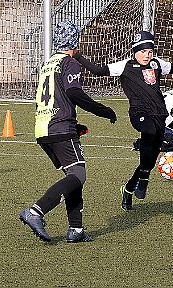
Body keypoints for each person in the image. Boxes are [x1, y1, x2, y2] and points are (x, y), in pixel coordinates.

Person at [74, 31, 173, 210]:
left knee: (150, 159)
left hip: (159, 114)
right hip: (139, 113)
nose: (147, 55)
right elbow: (97, 70)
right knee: (148, 131)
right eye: (143, 51)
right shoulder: (125, 66)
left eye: (150, 51)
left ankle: (129, 188)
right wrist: (77, 55)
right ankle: (144, 179)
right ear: (135, 51)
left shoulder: (156, 64)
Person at [19, 20, 117, 243]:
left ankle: (76, 229)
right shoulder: (69, 62)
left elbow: (54, 97)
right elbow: (74, 94)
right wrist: (103, 111)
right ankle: (35, 211)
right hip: (59, 126)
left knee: (73, 176)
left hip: (44, 127)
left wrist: (74, 123)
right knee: (78, 175)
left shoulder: (48, 63)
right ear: (75, 41)